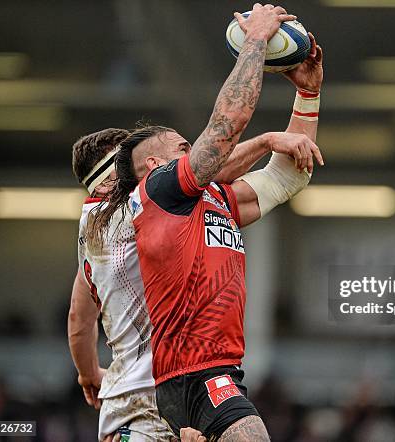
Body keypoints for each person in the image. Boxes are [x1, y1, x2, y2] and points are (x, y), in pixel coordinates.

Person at [88, 3, 324, 440]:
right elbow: (224, 128)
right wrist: (255, 40)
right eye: (181, 146)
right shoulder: (157, 192)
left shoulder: (212, 199)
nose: (189, 149)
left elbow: (286, 178)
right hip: (194, 371)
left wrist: (307, 94)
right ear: (154, 164)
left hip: (215, 368)